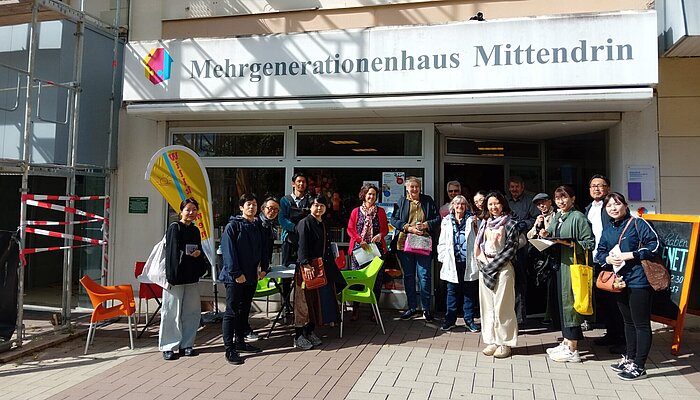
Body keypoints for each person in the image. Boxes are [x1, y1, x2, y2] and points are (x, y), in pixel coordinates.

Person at [595, 192, 660, 381]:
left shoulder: (639, 223)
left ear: (625, 205)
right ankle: (629, 358)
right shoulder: (608, 229)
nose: (613, 208)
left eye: (617, 204)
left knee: (641, 324)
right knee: (628, 322)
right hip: (618, 281)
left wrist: (631, 255)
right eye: (609, 206)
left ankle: (640, 365)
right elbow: (599, 253)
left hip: (639, 280)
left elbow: (656, 246)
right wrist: (606, 258)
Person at [539, 185, 595, 363]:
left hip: (572, 267)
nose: (561, 201)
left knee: (570, 304)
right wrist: (546, 234)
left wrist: (570, 244)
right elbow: (553, 236)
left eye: (564, 197)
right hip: (558, 265)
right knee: (561, 304)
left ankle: (573, 348)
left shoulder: (578, 217)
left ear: (573, 199)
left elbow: (589, 243)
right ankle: (565, 341)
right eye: (557, 198)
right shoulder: (559, 216)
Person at [219, 193, 269, 365]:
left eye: (254, 204)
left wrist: (264, 268)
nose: (251, 207)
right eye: (248, 204)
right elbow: (228, 252)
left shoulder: (258, 226)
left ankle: (240, 342)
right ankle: (229, 348)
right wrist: (236, 273)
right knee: (231, 311)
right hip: (235, 277)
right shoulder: (233, 226)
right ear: (241, 207)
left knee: (244, 310)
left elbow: (264, 249)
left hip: (251, 276)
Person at [294, 194, 347, 350]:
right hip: (307, 270)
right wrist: (305, 264)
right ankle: (298, 336)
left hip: (321, 269)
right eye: (316, 205)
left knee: (317, 303)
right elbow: (301, 246)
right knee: (303, 303)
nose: (319, 208)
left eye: (322, 205)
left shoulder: (322, 224)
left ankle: (310, 331)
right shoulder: (305, 223)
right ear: (310, 207)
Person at [160, 198, 210, 361]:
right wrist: (172, 277)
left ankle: (187, 344)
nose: (191, 213)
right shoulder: (175, 228)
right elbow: (171, 255)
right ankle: (169, 346)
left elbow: (198, 250)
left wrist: (198, 255)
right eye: (188, 209)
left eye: (194, 210)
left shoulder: (195, 231)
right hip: (175, 278)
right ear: (180, 211)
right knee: (171, 312)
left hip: (191, 277)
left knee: (192, 312)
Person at [474, 191, 519, 358]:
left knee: (503, 306)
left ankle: (505, 343)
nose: (493, 207)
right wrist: (483, 264)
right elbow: (479, 246)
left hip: (503, 268)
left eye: (496, 203)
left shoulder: (510, 223)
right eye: (490, 204)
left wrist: (493, 266)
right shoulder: (484, 223)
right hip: (485, 266)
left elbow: (510, 250)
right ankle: (492, 340)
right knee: (487, 307)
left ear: (503, 204)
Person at [390, 177, 440, 321]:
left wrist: (425, 225)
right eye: (411, 187)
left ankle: (426, 309)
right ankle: (411, 308)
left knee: (424, 276)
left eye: (416, 186)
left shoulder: (427, 200)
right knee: (409, 276)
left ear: (420, 187)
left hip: (423, 243)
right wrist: (408, 228)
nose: (414, 189)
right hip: (405, 244)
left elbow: (437, 219)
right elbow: (393, 220)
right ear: (407, 188)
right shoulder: (402, 201)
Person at [586, 174, 625, 352]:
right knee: (604, 300)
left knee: (617, 301)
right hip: (595, 260)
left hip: (613, 261)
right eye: (593, 186)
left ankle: (622, 338)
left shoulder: (612, 207)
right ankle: (611, 333)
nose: (596, 189)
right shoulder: (588, 208)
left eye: (600, 186)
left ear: (607, 188)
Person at [437, 195, 480, 333]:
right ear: (453, 206)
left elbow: (479, 237)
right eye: (457, 204)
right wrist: (443, 257)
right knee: (452, 292)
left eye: (462, 204)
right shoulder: (446, 220)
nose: (459, 206)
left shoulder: (473, 220)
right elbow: (442, 240)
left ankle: (469, 320)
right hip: (452, 262)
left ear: (466, 206)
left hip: (468, 261)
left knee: (469, 293)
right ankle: (450, 320)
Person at [346, 183, 389, 321]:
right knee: (357, 279)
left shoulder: (381, 212)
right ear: (364, 195)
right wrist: (359, 239)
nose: (371, 197)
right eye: (369, 194)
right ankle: (355, 309)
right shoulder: (356, 212)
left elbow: (386, 229)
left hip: (376, 251)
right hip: (359, 250)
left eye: (374, 194)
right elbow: (350, 229)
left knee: (376, 280)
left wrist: (380, 235)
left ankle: (373, 310)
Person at [242, 196, 280, 342]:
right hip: (249, 269)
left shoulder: (269, 225)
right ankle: (242, 330)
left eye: (276, 210)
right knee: (243, 302)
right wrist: (259, 267)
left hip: (258, 269)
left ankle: (243, 329)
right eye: (270, 208)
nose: (272, 211)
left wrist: (265, 267)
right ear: (263, 209)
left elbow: (266, 250)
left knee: (246, 300)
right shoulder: (257, 224)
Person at [506, 176, 538, 326]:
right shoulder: (505, 201)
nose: (514, 189)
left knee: (520, 282)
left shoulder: (530, 201)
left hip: (523, 247)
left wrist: (523, 224)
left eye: (517, 187)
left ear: (522, 187)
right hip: (506, 247)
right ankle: (508, 315)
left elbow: (537, 219)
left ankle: (520, 317)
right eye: (512, 187)